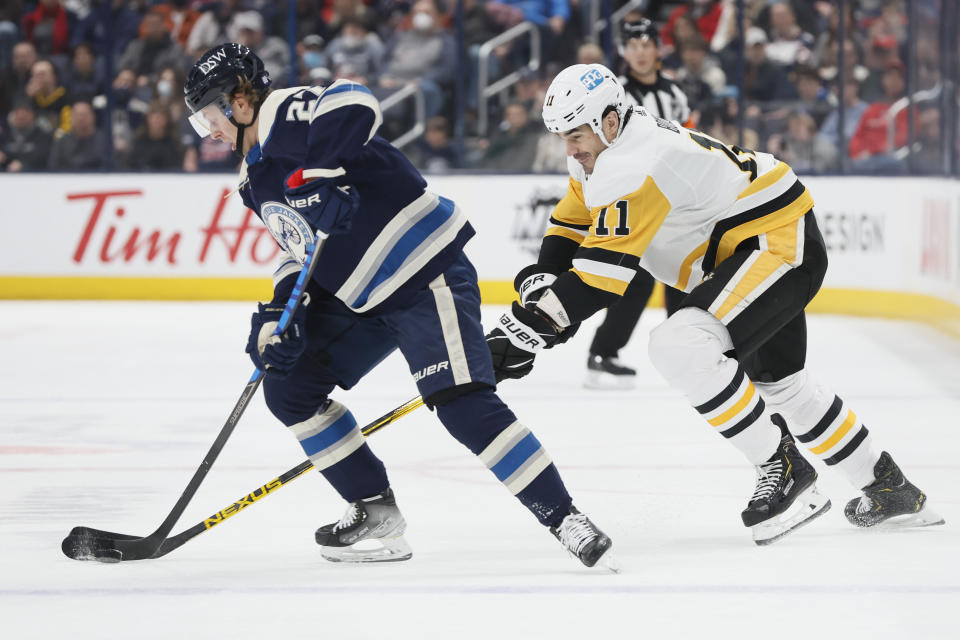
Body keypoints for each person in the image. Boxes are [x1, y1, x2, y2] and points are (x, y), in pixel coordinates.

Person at [182, 43, 613, 568]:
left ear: (242, 99)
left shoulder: (288, 112)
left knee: (461, 405)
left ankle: (564, 515)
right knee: (289, 388)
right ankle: (373, 508)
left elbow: (356, 99)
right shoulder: (254, 175)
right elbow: (300, 249)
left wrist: (320, 174)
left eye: (211, 116)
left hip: (422, 272)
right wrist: (277, 316)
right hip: (356, 296)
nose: (211, 132)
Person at [486, 62, 943, 545]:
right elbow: (570, 225)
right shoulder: (599, 152)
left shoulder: (634, 162)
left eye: (575, 134)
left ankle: (783, 467)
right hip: (759, 241)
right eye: (563, 137)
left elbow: (601, 281)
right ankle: (889, 487)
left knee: (679, 343)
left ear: (609, 121)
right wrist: (537, 291)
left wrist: (525, 329)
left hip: (773, 242)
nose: (570, 149)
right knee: (781, 384)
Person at [581, 18, 690, 390]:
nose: (640, 53)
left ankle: (686, 351)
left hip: (673, 198)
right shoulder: (615, 95)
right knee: (637, 280)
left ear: (658, 49)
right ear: (624, 53)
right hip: (633, 196)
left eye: (646, 45)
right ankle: (603, 351)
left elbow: (689, 140)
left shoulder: (675, 93)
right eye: (633, 46)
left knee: (684, 272)